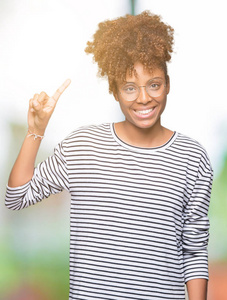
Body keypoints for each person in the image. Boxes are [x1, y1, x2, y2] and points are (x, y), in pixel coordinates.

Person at [5, 11, 213, 300]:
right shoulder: (82, 146)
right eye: (129, 87)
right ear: (114, 91)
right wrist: (35, 130)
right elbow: (17, 197)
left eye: (154, 84)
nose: (143, 98)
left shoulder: (193, 158)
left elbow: (194, 250)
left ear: (167, 83)